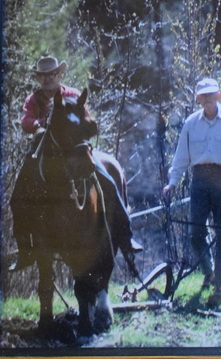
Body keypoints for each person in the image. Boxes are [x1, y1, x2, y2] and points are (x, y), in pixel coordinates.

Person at [10, 55, 142, 272]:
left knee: (108, 181)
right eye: (43, 76)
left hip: (75, 151)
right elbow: (25, 120)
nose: (47, 80)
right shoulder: (33, 100)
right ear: (38, 78)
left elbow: (87, 120)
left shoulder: (72, 95)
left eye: (51, 75)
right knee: (18, 195)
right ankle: (26, 250)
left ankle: (126, 237)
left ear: (58, 75)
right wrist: (37, 125)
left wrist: (83, 127)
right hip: (44, 151)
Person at [162, 78, 221, 307]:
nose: (209, 99)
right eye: (204, 96)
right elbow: (181, 157)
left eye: (212, 95)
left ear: (219, 96)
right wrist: (172, 182)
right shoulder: (191, 124)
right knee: (195, 233)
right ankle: (209, 271)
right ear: (198, 99)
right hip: (200, 180)